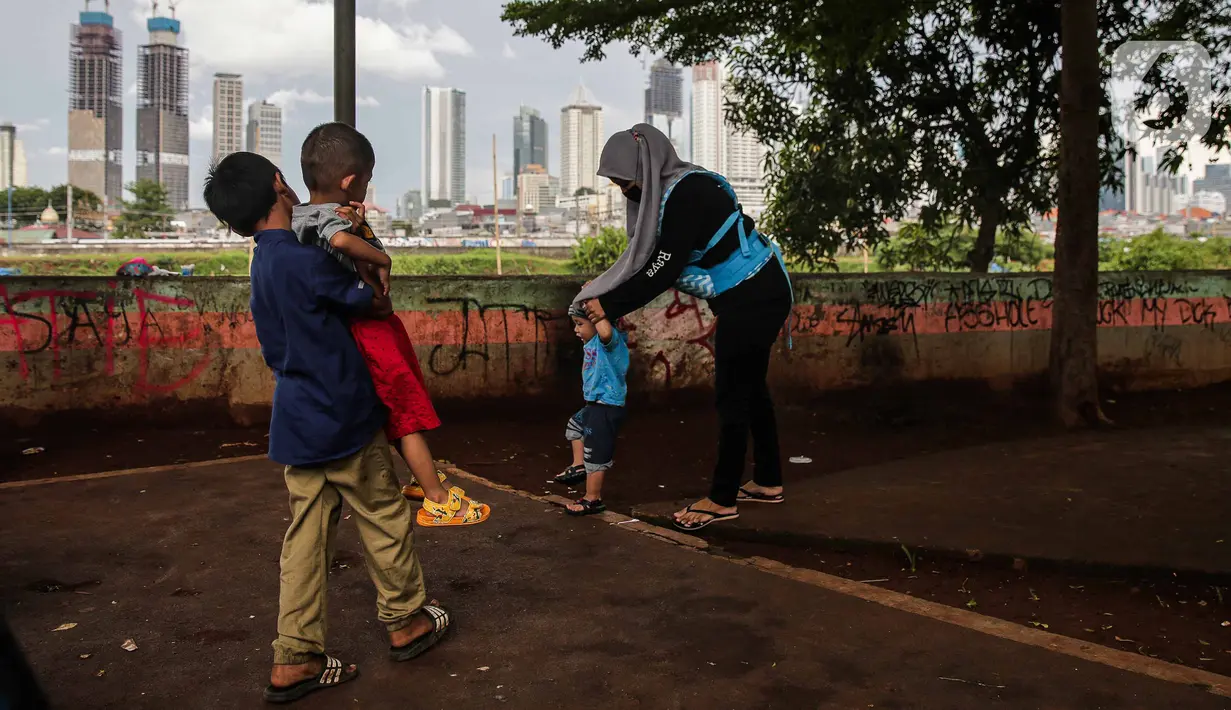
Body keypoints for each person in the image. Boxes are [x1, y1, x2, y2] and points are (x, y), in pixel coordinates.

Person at [203, 151, 453, 704]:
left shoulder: (262, 262)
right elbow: (373, 305)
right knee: (384, 516)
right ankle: (407, 620)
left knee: (306, 541)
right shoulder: (303, 260)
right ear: (278, 185)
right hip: (342, 414)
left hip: (296, 420)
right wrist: (374, 265)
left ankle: (295, 656)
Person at [574, 123, 793, 532]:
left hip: (752, 297)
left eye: (627, 181)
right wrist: (606, 291)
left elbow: (661, 268)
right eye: (619, 184)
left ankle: (722, 498)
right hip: (760, 291)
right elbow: (651, 262)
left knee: (732, 396)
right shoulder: (677, 189)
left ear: (646, 168)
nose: (625, 191)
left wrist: (607, 303)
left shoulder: (686, 193)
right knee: (751, 390)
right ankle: (767, 480)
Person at [293, 122, 489, 528]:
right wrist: (383, 259)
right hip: (370, 330)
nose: (367, 187)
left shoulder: (299, 217)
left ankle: (424, 481)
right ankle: (436, 497)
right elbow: (343, 243)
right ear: (350, 181)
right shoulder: (331, 219)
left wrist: (360, 225)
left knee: (397, 414)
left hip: (345, 333)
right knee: (405, 412)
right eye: (367, 180)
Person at [554, 303, 630, 515]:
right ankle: (578, 466)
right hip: (594, 404)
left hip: (606, 407)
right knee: (574, 426)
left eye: (579, 324)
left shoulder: (611, 341)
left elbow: (605, 330)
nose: (576, 330)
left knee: (596, 454)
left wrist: (595, 306)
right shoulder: (592, 342)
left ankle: (592, 499)